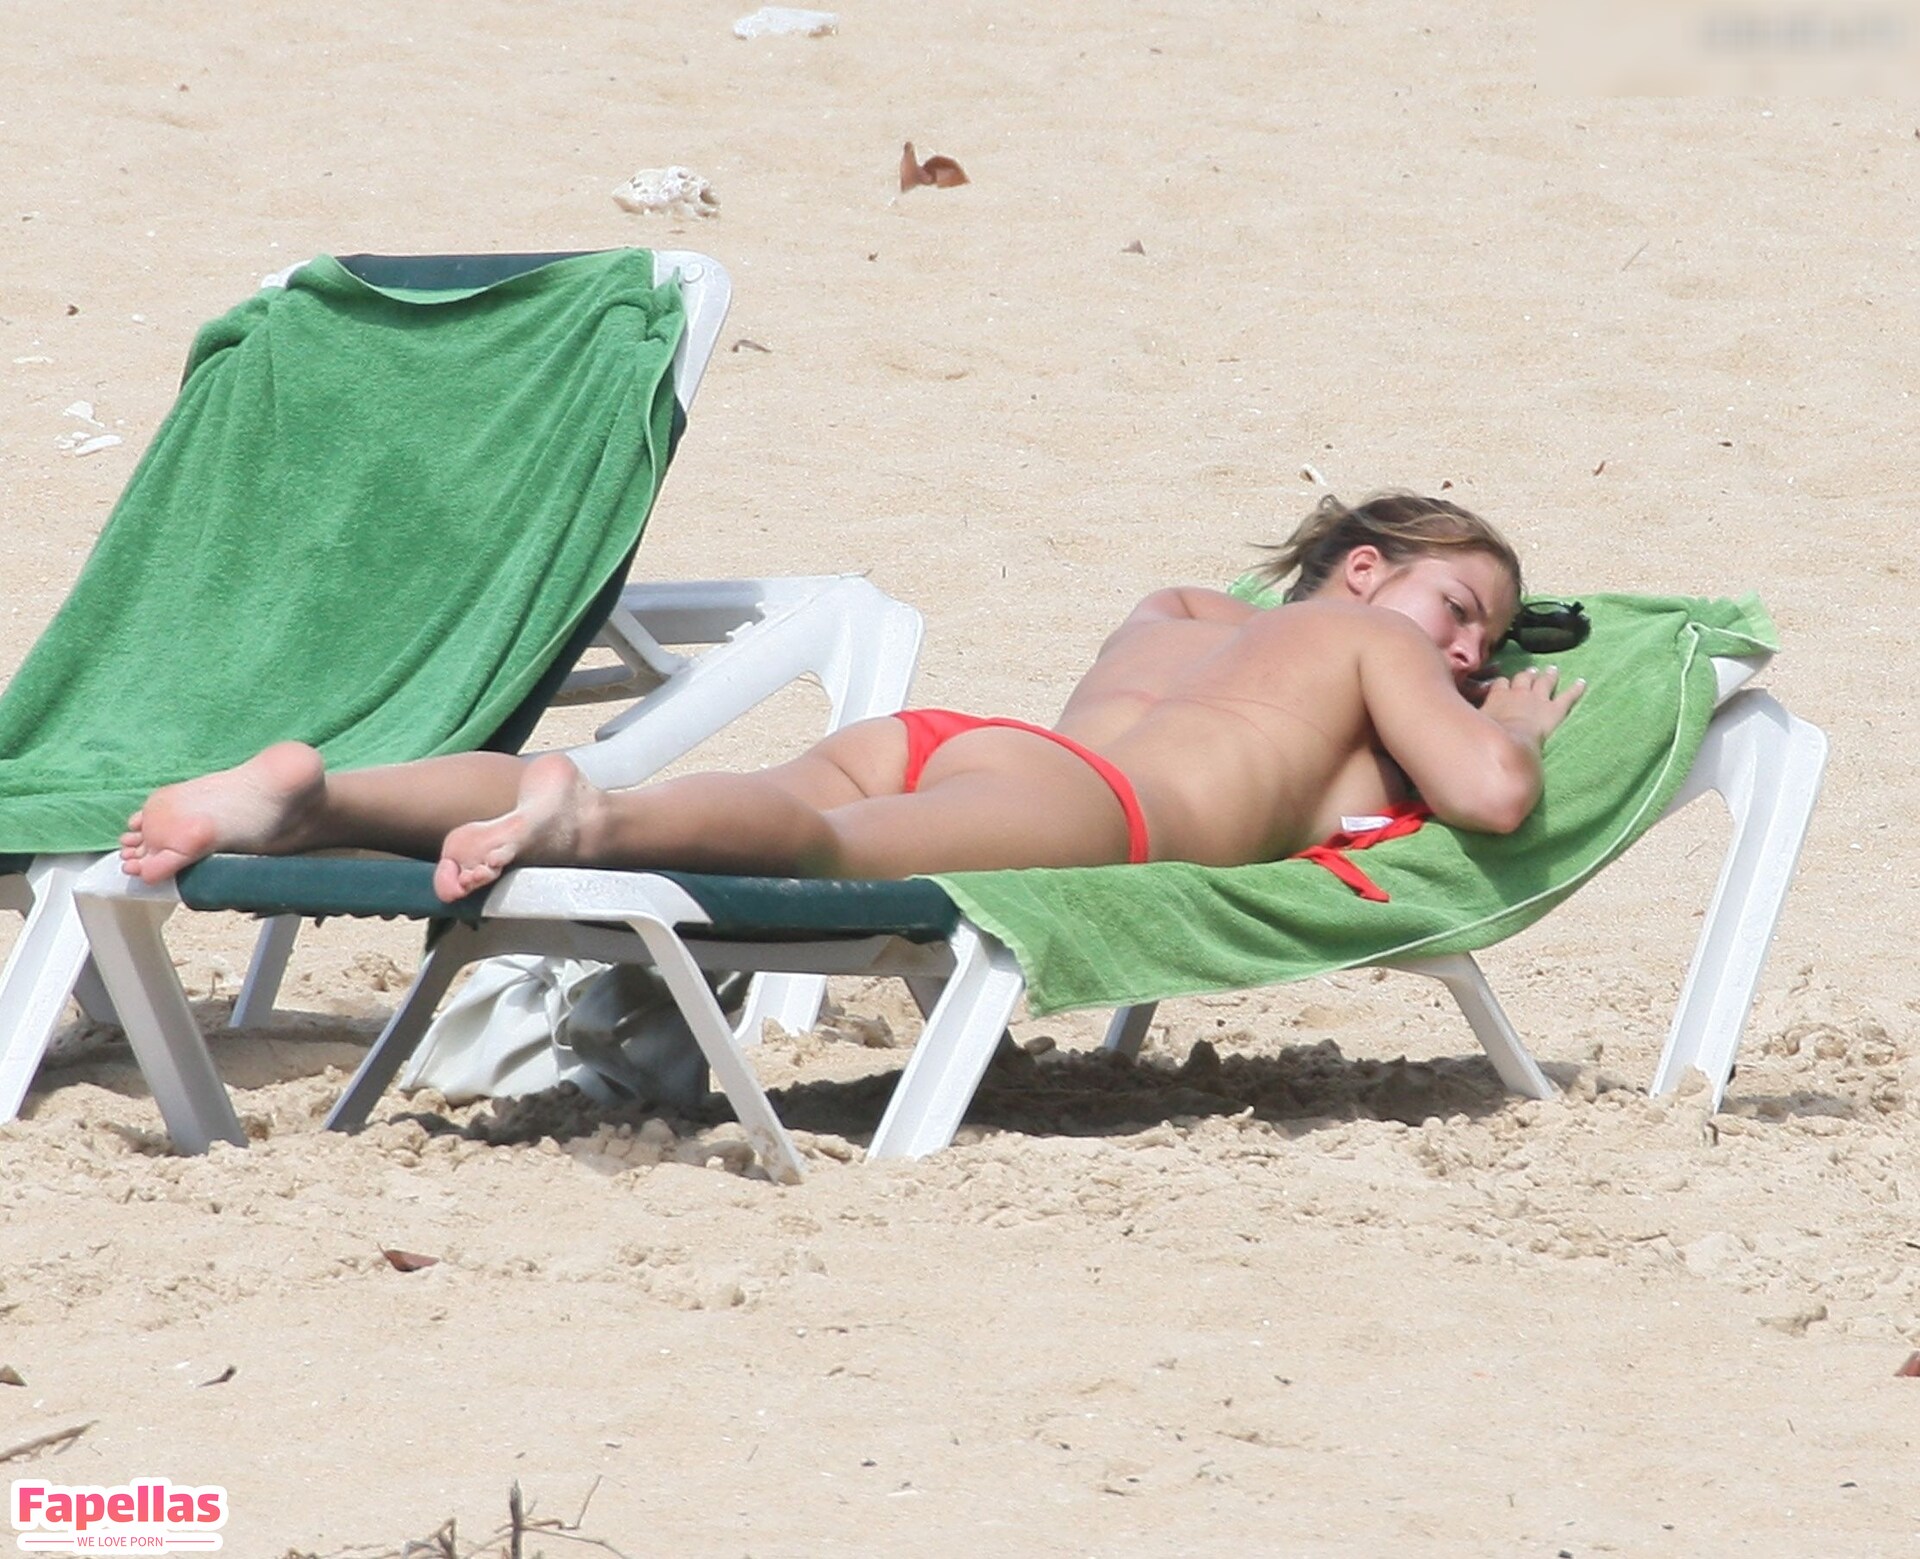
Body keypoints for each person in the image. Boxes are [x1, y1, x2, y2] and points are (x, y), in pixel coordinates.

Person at [119, 491, 1584, 902]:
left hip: (962, 742)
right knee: (807, 850)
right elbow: (1490, 797)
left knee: (747, 798)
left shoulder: (1184, 615)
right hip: (1092, 810)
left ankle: (312, 799)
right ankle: (588, 831)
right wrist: (1503, 724)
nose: (1468, 650)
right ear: (1364, 570)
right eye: (1460, 612)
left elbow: (1276, 747)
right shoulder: (1368, 646)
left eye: (1488, 643)